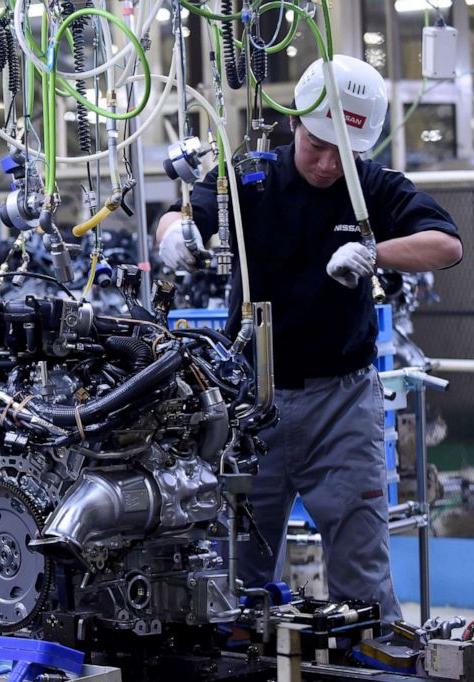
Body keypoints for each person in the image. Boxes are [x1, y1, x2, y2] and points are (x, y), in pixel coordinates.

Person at [155, 55, 463, 623]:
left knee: (362, 578)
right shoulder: (252, 176)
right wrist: (175, 235)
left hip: (342, 406)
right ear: (295, 123)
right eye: (316, 143)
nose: (325, 163)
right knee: (235, 577)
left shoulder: (373, 186)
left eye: (341, 152)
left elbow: (447, 245)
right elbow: (183, 214)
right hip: (252, 407)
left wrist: (376, 254)